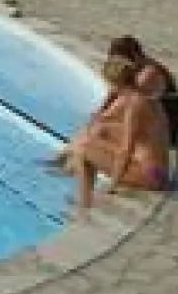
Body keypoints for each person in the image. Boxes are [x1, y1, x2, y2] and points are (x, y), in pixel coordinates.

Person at [46, 36, 178, 168]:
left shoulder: (148, 74)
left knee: (100, 127)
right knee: (97, 124)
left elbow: (128, 104)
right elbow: (115, 95)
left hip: (164, 135)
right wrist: (100, 112)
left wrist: (104, 117)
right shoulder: (133, 70)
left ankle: (75, 159)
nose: (118, 66)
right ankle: (67, 158)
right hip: (146, 124)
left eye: (120, 62)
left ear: (134, 57)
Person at [68, 57, 172, 214]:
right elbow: (104, 119)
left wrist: (112, 185)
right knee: (97, 132)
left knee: (81, 148)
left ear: (115, 84)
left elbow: (126, 149)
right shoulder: (144, 97)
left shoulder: (134, 106)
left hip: (153, 176)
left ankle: (84, 205)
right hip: (159, 170)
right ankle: (84, 196)